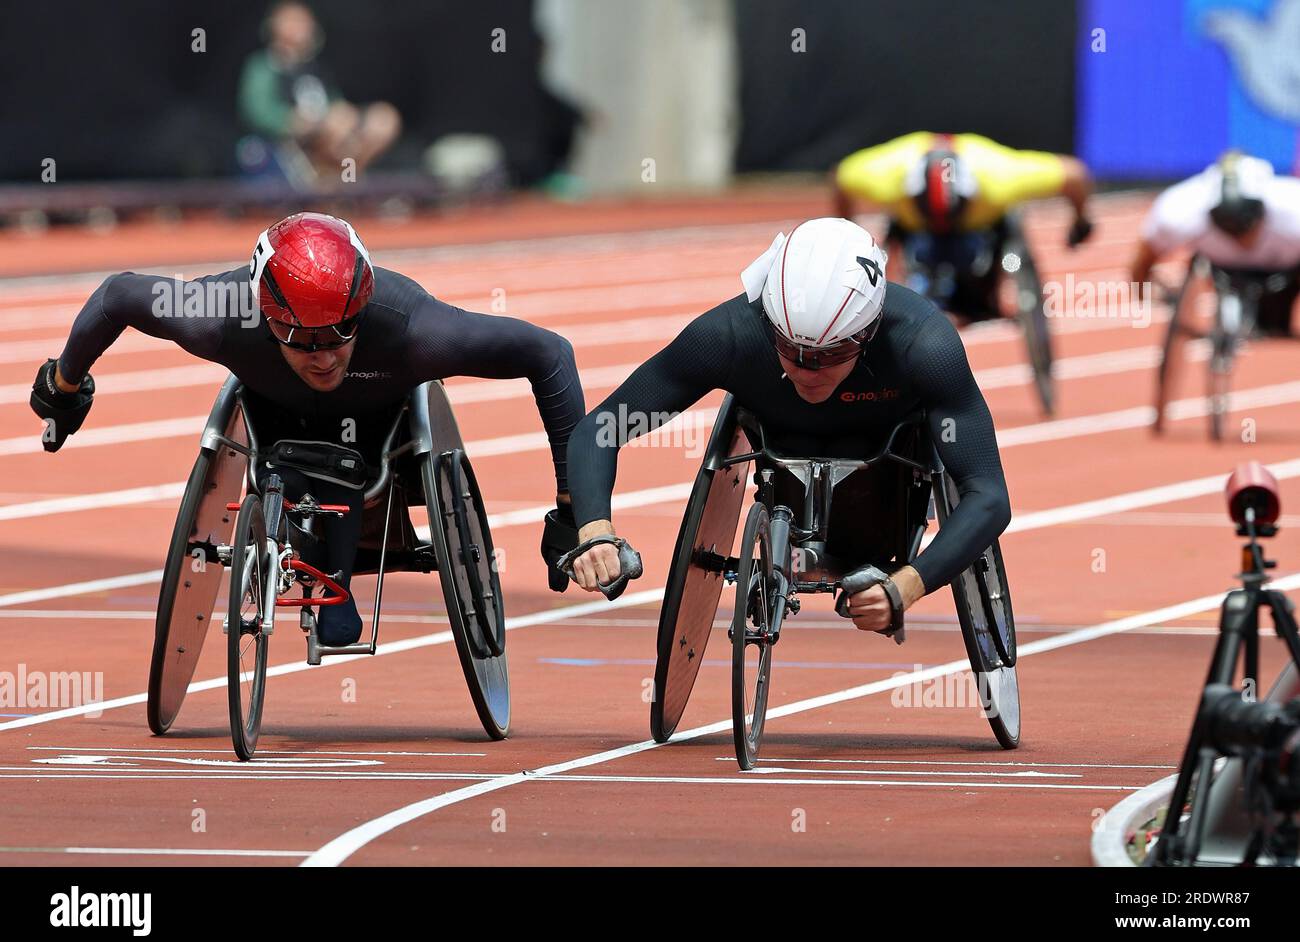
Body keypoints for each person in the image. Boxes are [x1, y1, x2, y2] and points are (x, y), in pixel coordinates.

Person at [29, 212, 585, 646]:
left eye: (340, 332)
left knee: (347, 456)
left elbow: (550, 354)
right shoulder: (218, 315)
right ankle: (319, 567)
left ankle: (332, 581)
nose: (322, 356)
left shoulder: (416, 331)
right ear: (266, 319)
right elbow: (118, 295)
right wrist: (64, 383)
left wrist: (573, 507)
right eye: (300, 338)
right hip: (274, 420)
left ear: (362, 307)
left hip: (375, 429)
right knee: (289, 450)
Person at [561, 218, 1012, 636]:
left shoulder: (925, 345)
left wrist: (907, 586)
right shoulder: (728, 336)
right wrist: (594, 531)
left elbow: (988, 495)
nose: (806, 369)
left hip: (888, 480)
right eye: (789, 348)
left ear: (868, 332)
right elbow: (600, 429)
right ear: (769, 322)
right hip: (780, 461)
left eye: (830, 354)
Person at [833, 131, 1094, 318]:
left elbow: (1074, 174)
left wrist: (1081, 222)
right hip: (914, 229)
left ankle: (978, 297)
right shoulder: (888, 177)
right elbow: (840, 179)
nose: (943, 225)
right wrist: (849, 232)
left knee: (974, 281)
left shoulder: (1000, 178)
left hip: (980, 227)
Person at [1131, 149, 1300, 336]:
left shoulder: (1293, 208)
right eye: (1229, 229)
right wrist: (1141, 292)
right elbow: (1145, 256)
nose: (1241, 241)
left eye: (1245, 228)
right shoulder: (1178, 213)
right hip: (1223, 271)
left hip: (1287, 273)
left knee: (1275, 327)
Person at [238, 1, 401, 181]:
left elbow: (333, 101)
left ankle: (347, 178)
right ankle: (331, 179)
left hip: (330, 129)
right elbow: (257, 110)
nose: (301, 26)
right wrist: (292, 122)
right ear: (274, 25)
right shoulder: (264, 66)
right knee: (339, 121)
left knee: (383, 119)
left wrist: (347, 116)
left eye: (304, 21)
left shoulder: (314, 67)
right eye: (293, 20)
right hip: (295, 138)